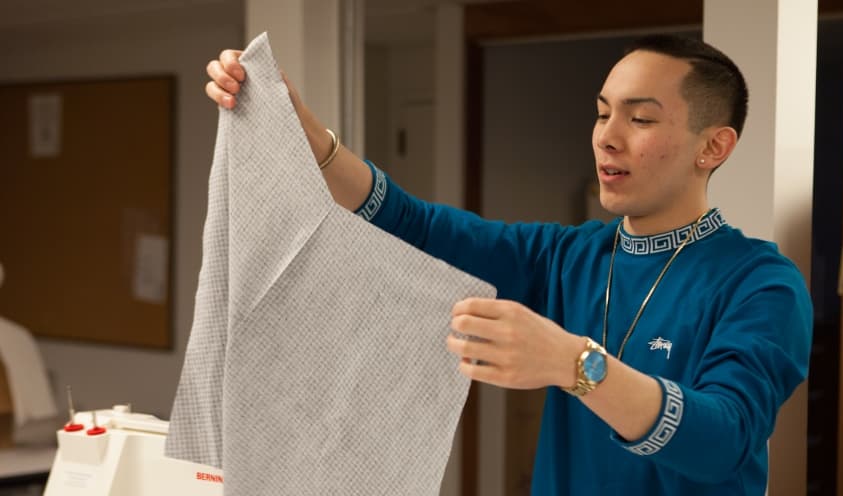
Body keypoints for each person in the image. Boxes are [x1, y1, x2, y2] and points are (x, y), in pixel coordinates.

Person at [204, 34, 812, 495]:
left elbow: (726, 438)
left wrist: (575, 364)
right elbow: (413, 222)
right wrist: (310, 140)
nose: (607, 135)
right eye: (603, 112)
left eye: (642, 118)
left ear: (714, 146)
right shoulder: (568, 256)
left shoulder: (761, 281)